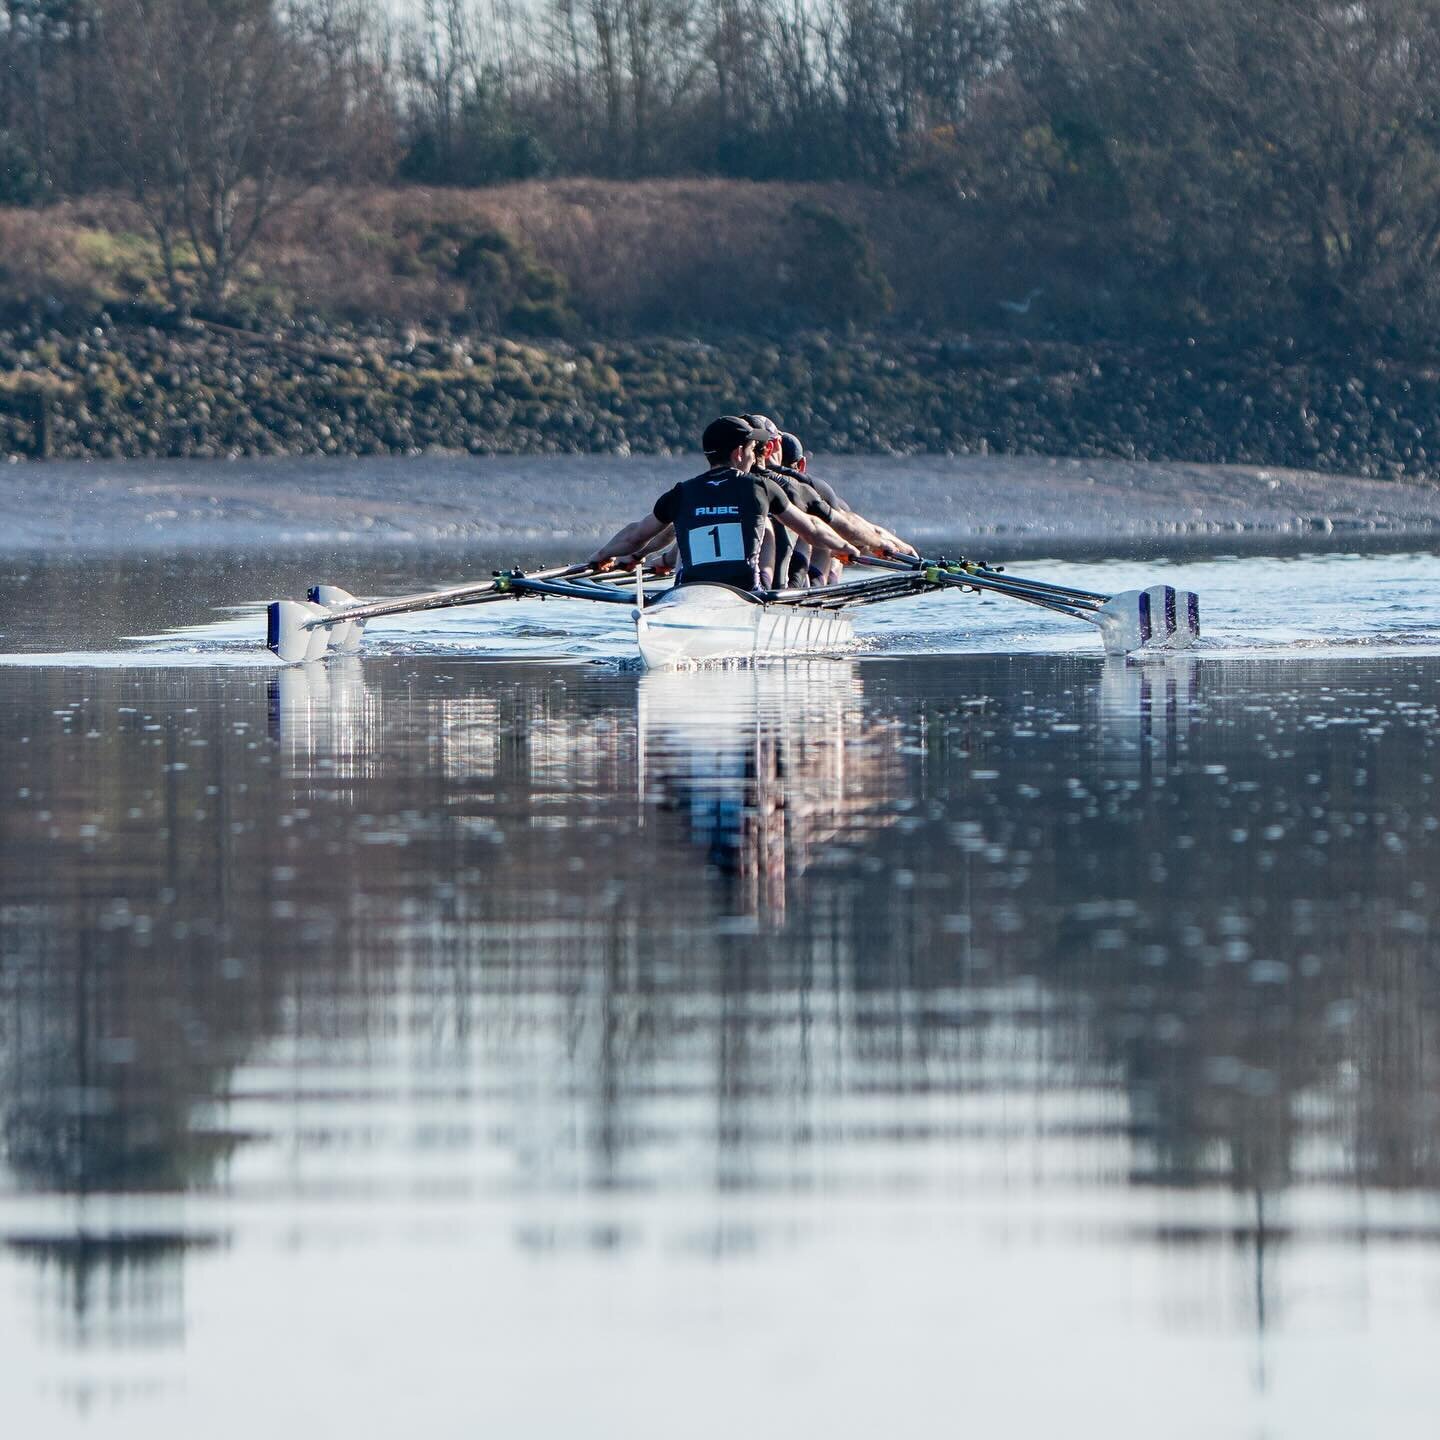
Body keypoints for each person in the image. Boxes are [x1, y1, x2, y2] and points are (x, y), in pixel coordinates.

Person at [586, 415, 860, 590]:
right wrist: (846, 548)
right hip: (743, 594)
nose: (756, 457)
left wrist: (601, 556)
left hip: (690, 592)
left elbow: (636, 534)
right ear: (740, 453)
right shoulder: (761, 487)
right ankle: (765, 586)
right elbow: (810, 529)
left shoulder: (682, 492)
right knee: (765, 532)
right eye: (754, 450)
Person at [743, 414, 917, 586]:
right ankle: (826, 584)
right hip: (777, 588)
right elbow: (849, 528)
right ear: (772, 445)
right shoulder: (795, 485)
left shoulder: (722, 481)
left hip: (729, 585)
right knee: (818, 528)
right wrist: (883, 545)